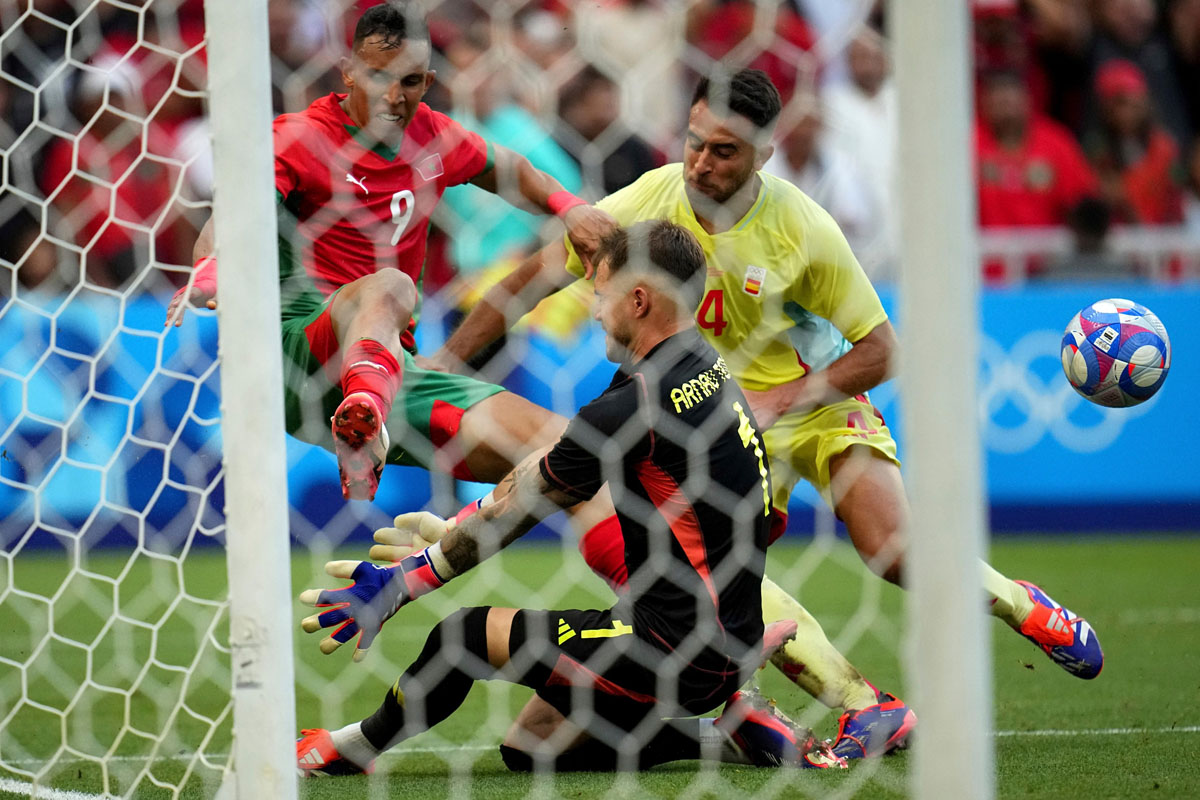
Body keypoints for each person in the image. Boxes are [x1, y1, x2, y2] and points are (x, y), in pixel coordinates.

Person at [433, 69, 1105, 707]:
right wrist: (444, 365)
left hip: (813, 402)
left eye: (724, 152)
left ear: (763, 154)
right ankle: (862, 705)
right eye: (695, 142)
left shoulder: (802, 228)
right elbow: (530, 281)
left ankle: (1023, 605)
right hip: (717, 419)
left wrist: (781, 400)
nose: (701, 164)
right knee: (719, 586)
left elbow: (882, 351)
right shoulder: (647, 201)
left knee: (891, 549)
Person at [295, 221, 846, 774]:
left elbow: (520, 508)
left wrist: (401, 583)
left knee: (462, 637)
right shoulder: (704, 366)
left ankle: (352, 749)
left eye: (602, 296)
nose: (595, 312)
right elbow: (538, 471)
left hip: (673, 651)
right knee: (533, 745)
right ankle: (724, 735)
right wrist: (458, 524)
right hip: (723, 637)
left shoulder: (636, 405)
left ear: (638, 301)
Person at [164, 2, 615, 503]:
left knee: (572, 454)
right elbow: (233, 217)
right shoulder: (301, 137)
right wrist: (211, 268)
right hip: (299, 356)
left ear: (429, 81)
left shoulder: (434, 137)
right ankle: (363, 423)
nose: (394, 96)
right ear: (348, 71)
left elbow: (513, 170)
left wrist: (571, 208)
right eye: (378, 77)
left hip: (387, 367)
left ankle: (415, 509)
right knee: (391, 285)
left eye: (410, 81)